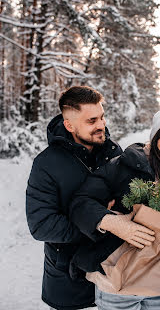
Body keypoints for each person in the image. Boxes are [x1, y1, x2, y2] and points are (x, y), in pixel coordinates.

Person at [26, 86, 151, 310]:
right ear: (69, 125)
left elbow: (126, 204)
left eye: (102, 117)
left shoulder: (113, 152)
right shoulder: (46, 164)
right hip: (69, 281)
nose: (101, 125)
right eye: (92, 120)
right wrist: (102, 223)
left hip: (113, 274)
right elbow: (41, 225)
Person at [69, 110, 160, 310]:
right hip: (116, 284)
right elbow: (80, 203)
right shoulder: (122, 165)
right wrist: (111, 222)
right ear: (154, 137)